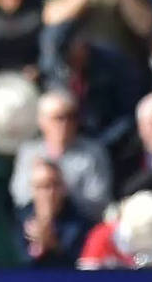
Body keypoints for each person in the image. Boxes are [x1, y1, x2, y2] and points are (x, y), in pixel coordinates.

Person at [10, 90, 114, 220]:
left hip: (80, 225)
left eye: (71, 116)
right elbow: (20, 196)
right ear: (42, 121)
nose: (65, 123)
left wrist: (56, 191)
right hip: (36, 222)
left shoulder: (92, 153)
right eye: (58, 118)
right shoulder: (29, 153)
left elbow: (98, 201)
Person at [18, 157, 92, 267]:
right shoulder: (19, 219)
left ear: (64, 188)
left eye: (55, 184)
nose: (50, 192)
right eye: (42, 186)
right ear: (33, 190)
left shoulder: (80, 225)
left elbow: (81, 265)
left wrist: (53, 244)